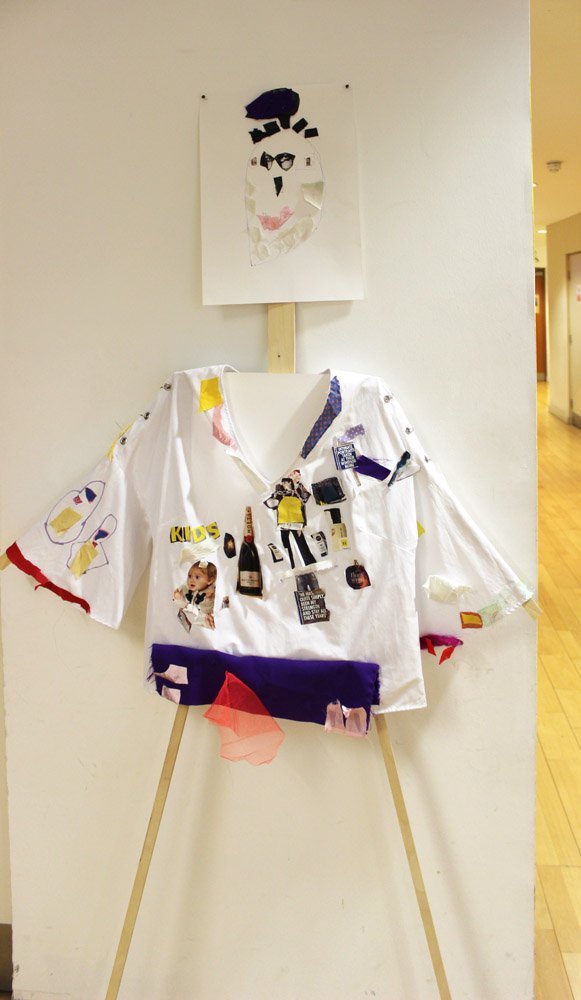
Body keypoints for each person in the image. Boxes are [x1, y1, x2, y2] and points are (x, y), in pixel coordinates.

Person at [173, 560, 217, 630]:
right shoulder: (186, 588)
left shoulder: (209, 592)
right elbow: (182, 605)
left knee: (206, 618)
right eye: (190, 576)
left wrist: (208, 598)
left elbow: (206, 610)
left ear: (210, 580)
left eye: (197, 577)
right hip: (186, 619)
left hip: (201, 621)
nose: (191, 580)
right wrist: (178, 598)